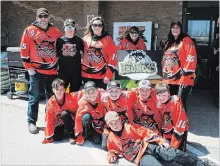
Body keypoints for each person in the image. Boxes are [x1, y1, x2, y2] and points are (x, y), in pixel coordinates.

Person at [20, 8, 63, 134]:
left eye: (45, 16)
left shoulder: (56, 32)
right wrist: (28, 67)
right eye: (41, 16)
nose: (43, 18)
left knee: (51, 98)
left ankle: (49, 120)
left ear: (49, 17)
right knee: (34, 96)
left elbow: (63, 47)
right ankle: (31, 121)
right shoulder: (29, 31)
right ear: (37, 17)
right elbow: (24, 50)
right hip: (36, 71)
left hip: (52, 71)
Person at [105, 111, 196, 166]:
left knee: (172, 153)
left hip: (149, 147)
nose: (115, 125)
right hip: (140, 157)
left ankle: (198, 163)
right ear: (108, 125)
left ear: (120, 120)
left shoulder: (130, 127)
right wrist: (111, 156)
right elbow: (112, 151)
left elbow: (148, 133)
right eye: (111, 124)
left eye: (116, 122)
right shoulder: (111, 138)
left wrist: (161, 141)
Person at [162, 21, 197, 112]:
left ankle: (181, 124)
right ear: (170, 29)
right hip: (169, 78)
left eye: (177, 27)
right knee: (170, 101)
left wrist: (186, 77)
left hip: (181, 79)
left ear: (181, 29)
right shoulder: (169, 42)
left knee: (179, 102)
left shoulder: (186, 40)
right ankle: (172, 122)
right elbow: (165, 60)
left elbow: (191, 58)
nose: (175, 29)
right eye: (173, 27)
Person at [41, 78, 83, 144]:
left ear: (64, 90)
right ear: (53, 90)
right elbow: (49, 119)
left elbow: (84, 92)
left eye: (61, 89)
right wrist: (48, 137)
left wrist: (101, 93)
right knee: (56, 138)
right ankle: (64, 131)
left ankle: (72, 135)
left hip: (71, 120)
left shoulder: (71, 97)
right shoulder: (51, 102)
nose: (59, 92)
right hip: (59, 122)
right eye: (57, 89)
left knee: (64, 114)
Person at [81, 16, 117, 89]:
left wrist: (108, 75)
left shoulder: (108, 39)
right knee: (89, 98)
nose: (97, 27)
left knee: (101, 98)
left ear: (102, 27)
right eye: (95, 25)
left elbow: (113, 59)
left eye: (99, 25)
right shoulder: (85, 38)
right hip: (86, 75)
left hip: (102, 76)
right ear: (91, 26)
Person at [155, 83, 189, 151]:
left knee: (176, 153)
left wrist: (174, 145)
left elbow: (180, 124)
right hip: (166, 130)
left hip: (179, 131)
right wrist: (161, 139)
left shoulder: (175, 103)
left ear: (169, 93)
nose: (161, 98)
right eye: (159, 95)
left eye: (164, 95)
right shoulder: (157, 103)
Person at [75, 81, 107, 146]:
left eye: (93, 91)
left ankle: (100, 133)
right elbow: (78, 119)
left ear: (97, 91)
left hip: (103, 123)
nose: (91, 94)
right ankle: (88, 133)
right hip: (93, 122)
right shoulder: (83, 102)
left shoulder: (103, 97)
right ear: (85, 94)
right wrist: (79, 137)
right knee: (85, 118)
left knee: (100, 142)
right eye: (88, 92)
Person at [56, 19, 84, 92]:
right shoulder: (59, 40)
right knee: (61, 92)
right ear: (64, 28)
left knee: (75, 93)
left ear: (74, 29)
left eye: (71, 27)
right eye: (67, 27)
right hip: (63, 72)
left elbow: (86, 52)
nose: (69, 29)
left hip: (76, 73)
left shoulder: (79, 40)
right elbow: (55, 54)